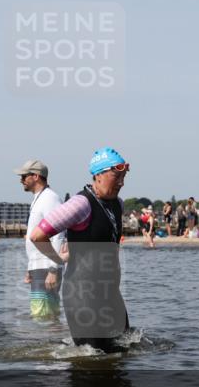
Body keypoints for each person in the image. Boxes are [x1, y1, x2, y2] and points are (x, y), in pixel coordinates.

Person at [30, 147, 131, 353]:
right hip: (83, 295)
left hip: (111, 293)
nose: (121, 182)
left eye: (123, 177)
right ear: (98, 175)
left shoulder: (117, 204)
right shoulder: (80, 204)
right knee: (91, 361)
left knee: (124, 351)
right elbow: (37, 236)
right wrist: (56, 262)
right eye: (116, 176)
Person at [15, 159, 66, 320]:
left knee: (43, 315)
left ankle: (54, 345)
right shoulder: (39, 198)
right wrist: (31, 268)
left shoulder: (50, 198)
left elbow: (58, 234)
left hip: (46, 266)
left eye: (24, 176)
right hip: (39, 266)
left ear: (36, 176)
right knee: (45, 314)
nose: (21, 180)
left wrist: (53, 269)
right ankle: (53, 344)